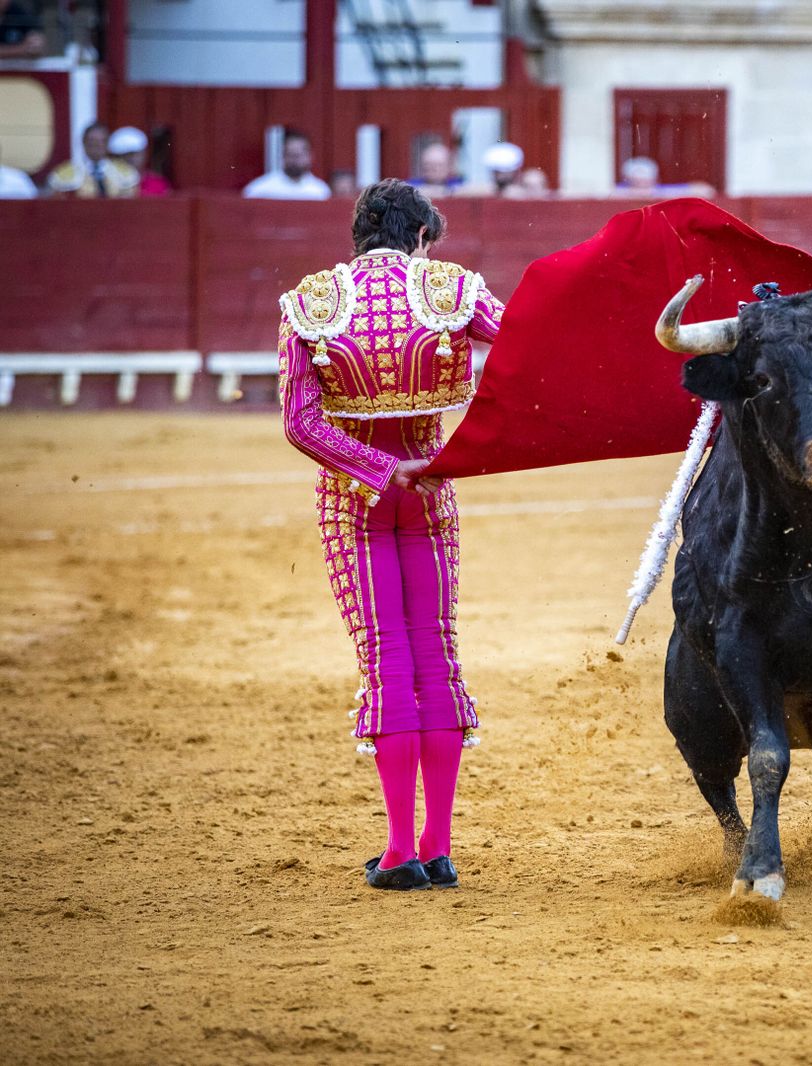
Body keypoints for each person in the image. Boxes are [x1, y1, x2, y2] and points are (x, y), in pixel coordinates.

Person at [276, 178, 504, 891]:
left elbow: (299, 423)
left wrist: (380, 468)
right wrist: (441, 459)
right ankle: (437, 847)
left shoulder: (310, 303)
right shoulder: (451, 288)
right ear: (422, 238)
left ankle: (402, 851)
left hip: (357, 499)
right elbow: (529, 351)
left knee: (388, 663)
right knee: (436, 657)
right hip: (431, 492)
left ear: (358, 237)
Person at [45, 122, 139, 198]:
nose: (97, 146)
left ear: (107, 144)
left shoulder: (126, 172)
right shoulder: (63, 174)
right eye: (92, 142)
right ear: (84, 142)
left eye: (102, 141)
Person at [244, 129, 331, 200]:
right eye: (291, 154)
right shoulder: (261, 189)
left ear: (310, 157)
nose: (295, 160)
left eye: (299, 155)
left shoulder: (320, 191)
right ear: (282, 156)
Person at [107, 126, 171, 197]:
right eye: (123, 156)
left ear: (143, 154)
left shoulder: (157, 182)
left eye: (133, 154)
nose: (129, 159)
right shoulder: (106, 180)